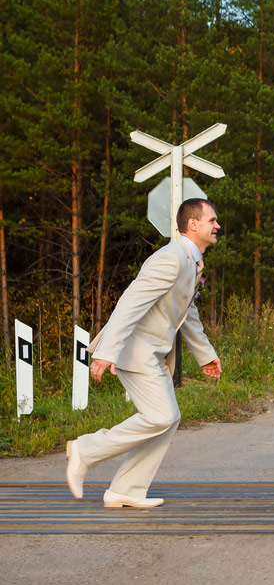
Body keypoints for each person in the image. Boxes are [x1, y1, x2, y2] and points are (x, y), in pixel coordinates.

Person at [65, 198, 223, 507]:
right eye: (212, 220)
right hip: (135, 350)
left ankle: (127, 489)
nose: (217, 226)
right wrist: (107, 351)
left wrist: (206, 355)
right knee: (160, 415)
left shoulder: (191, 262)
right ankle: (85, 450)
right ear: (193, 224)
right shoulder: (171, 258)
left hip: (151, 352)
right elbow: (131, 302)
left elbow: (186, 314)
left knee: (169, 418)